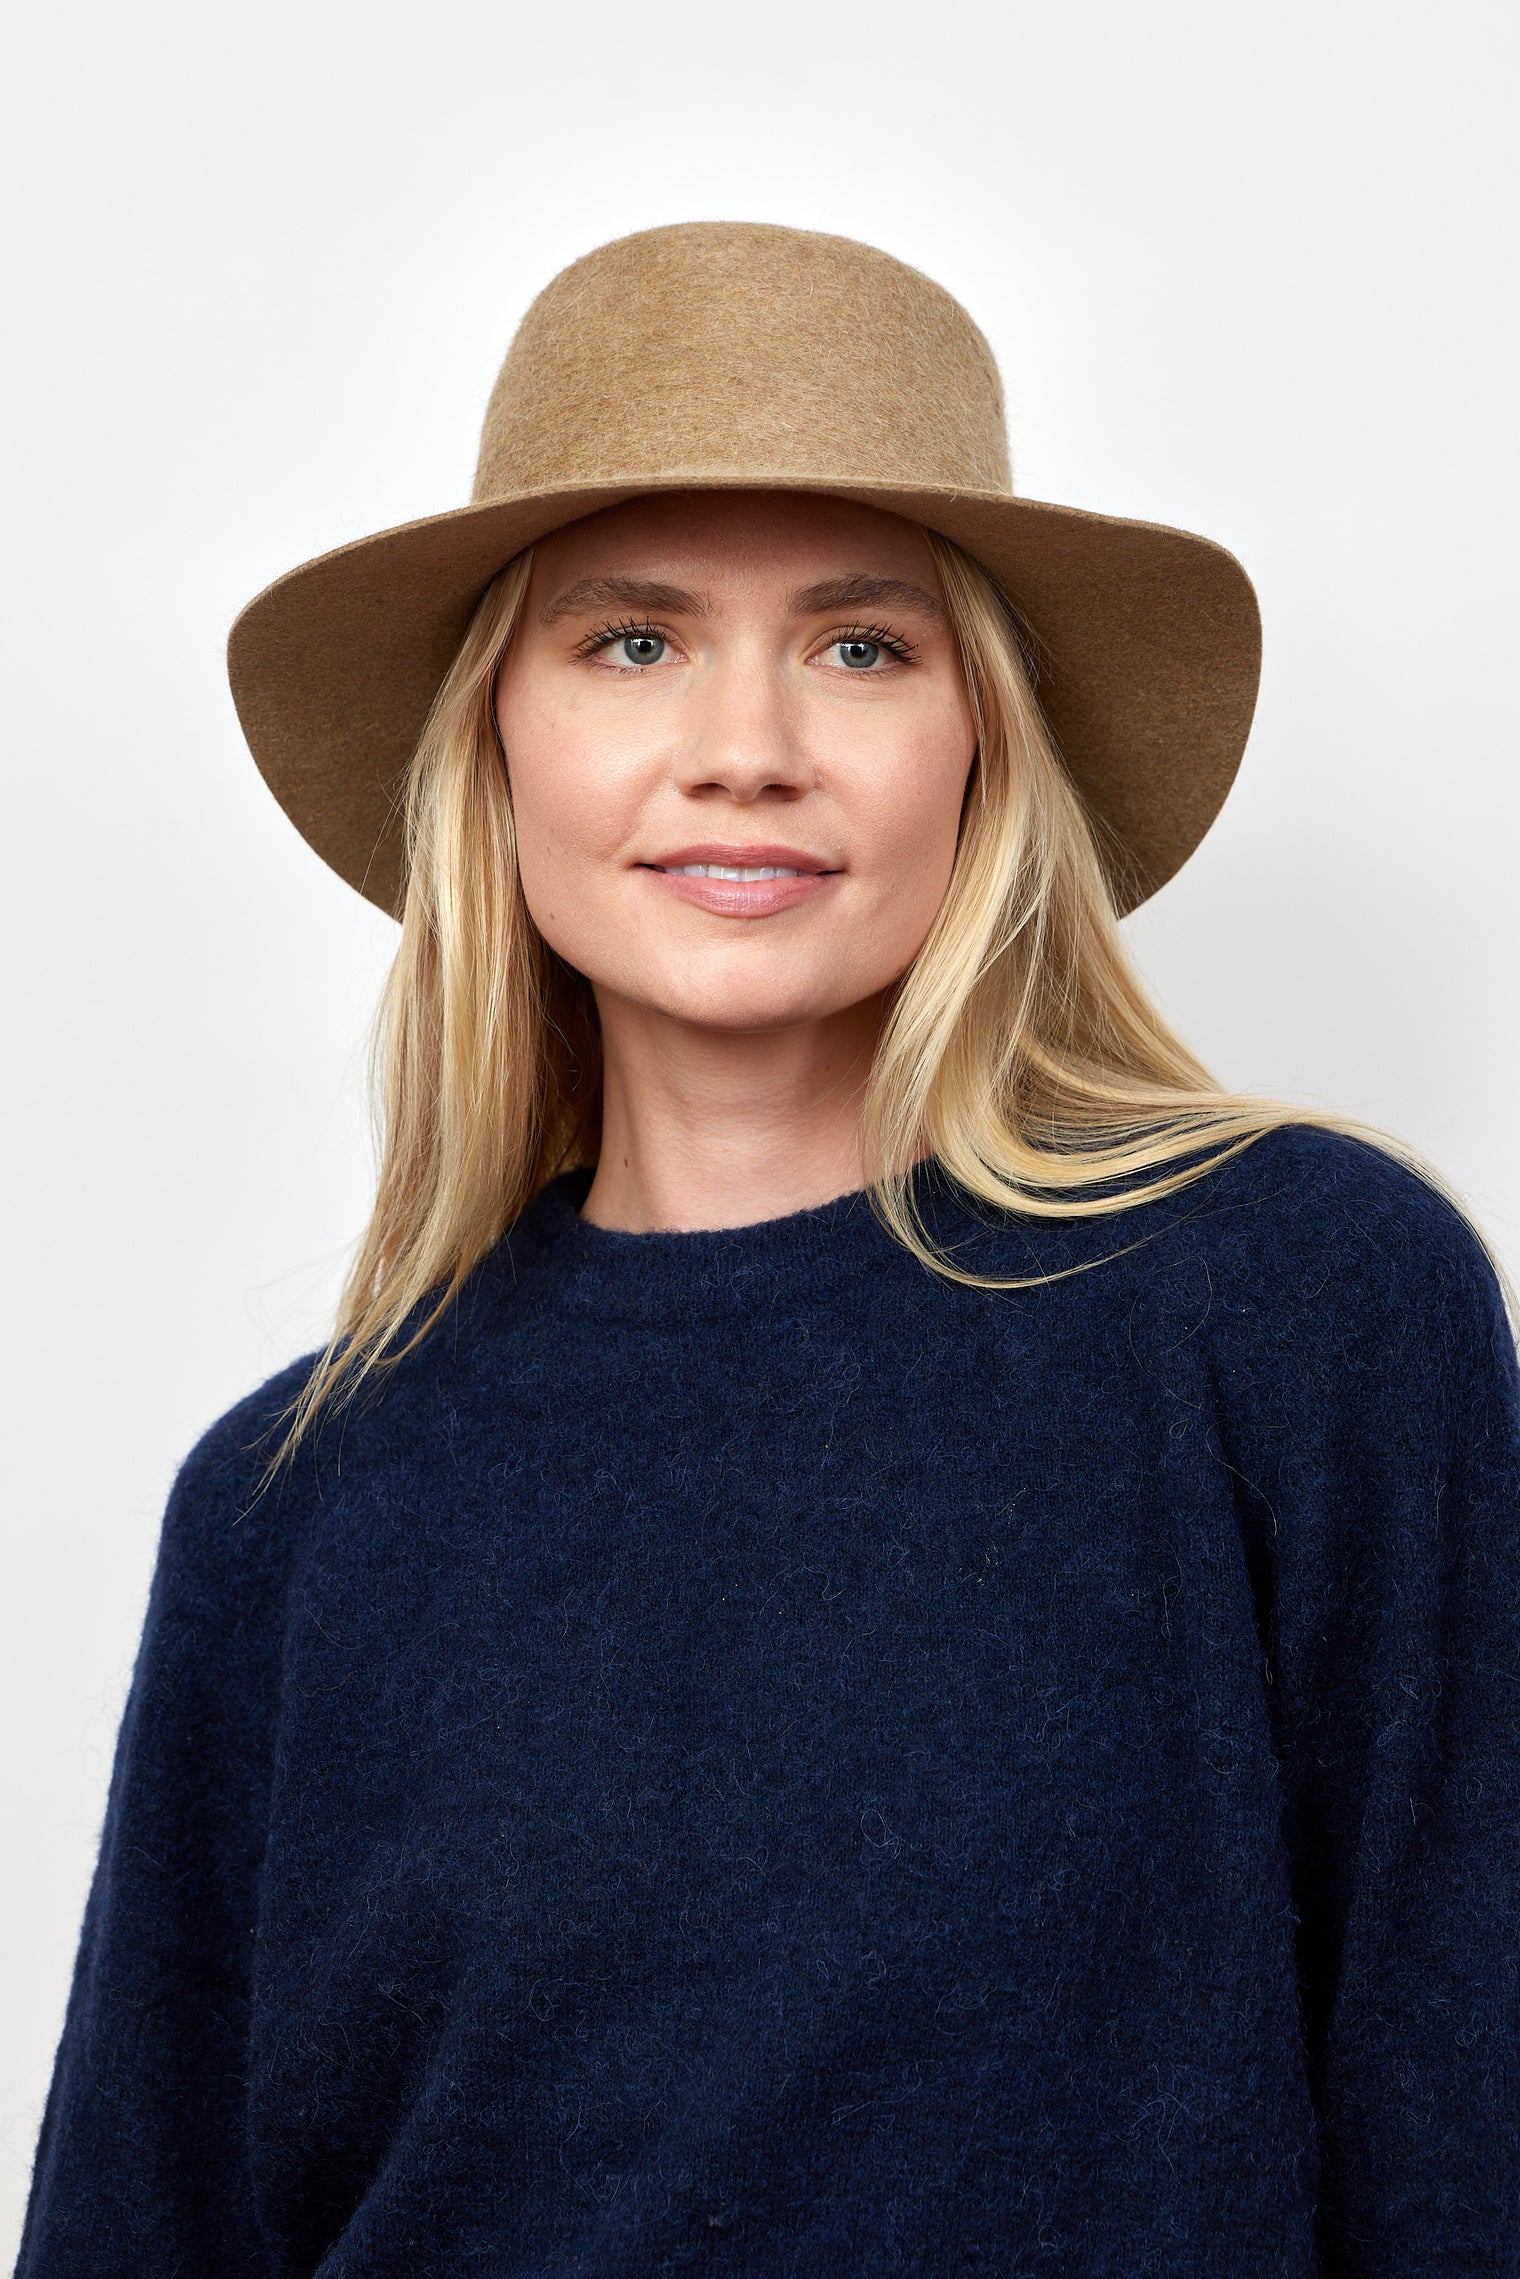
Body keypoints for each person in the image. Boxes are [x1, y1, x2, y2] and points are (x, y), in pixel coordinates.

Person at [16, 223, 1519, 2278]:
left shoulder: (1297, 1305)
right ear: (495, 745)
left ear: (987, 745)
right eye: (632, 642)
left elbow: (1467, 2132)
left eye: (863, 646)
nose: (745, 744)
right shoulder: (293, 1504)